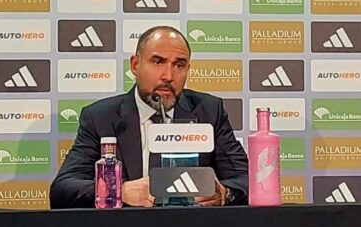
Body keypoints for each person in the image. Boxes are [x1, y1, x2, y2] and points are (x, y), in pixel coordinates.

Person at [50, 25, 248, 209]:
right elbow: (63, 189)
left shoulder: (208, 112)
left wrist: (225, 193)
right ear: (135, 65)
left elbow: (247, 180)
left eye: (179, 65)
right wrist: (119, 191)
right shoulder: (101, 118)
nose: (168, 76)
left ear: (188, 69)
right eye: (158, 62)